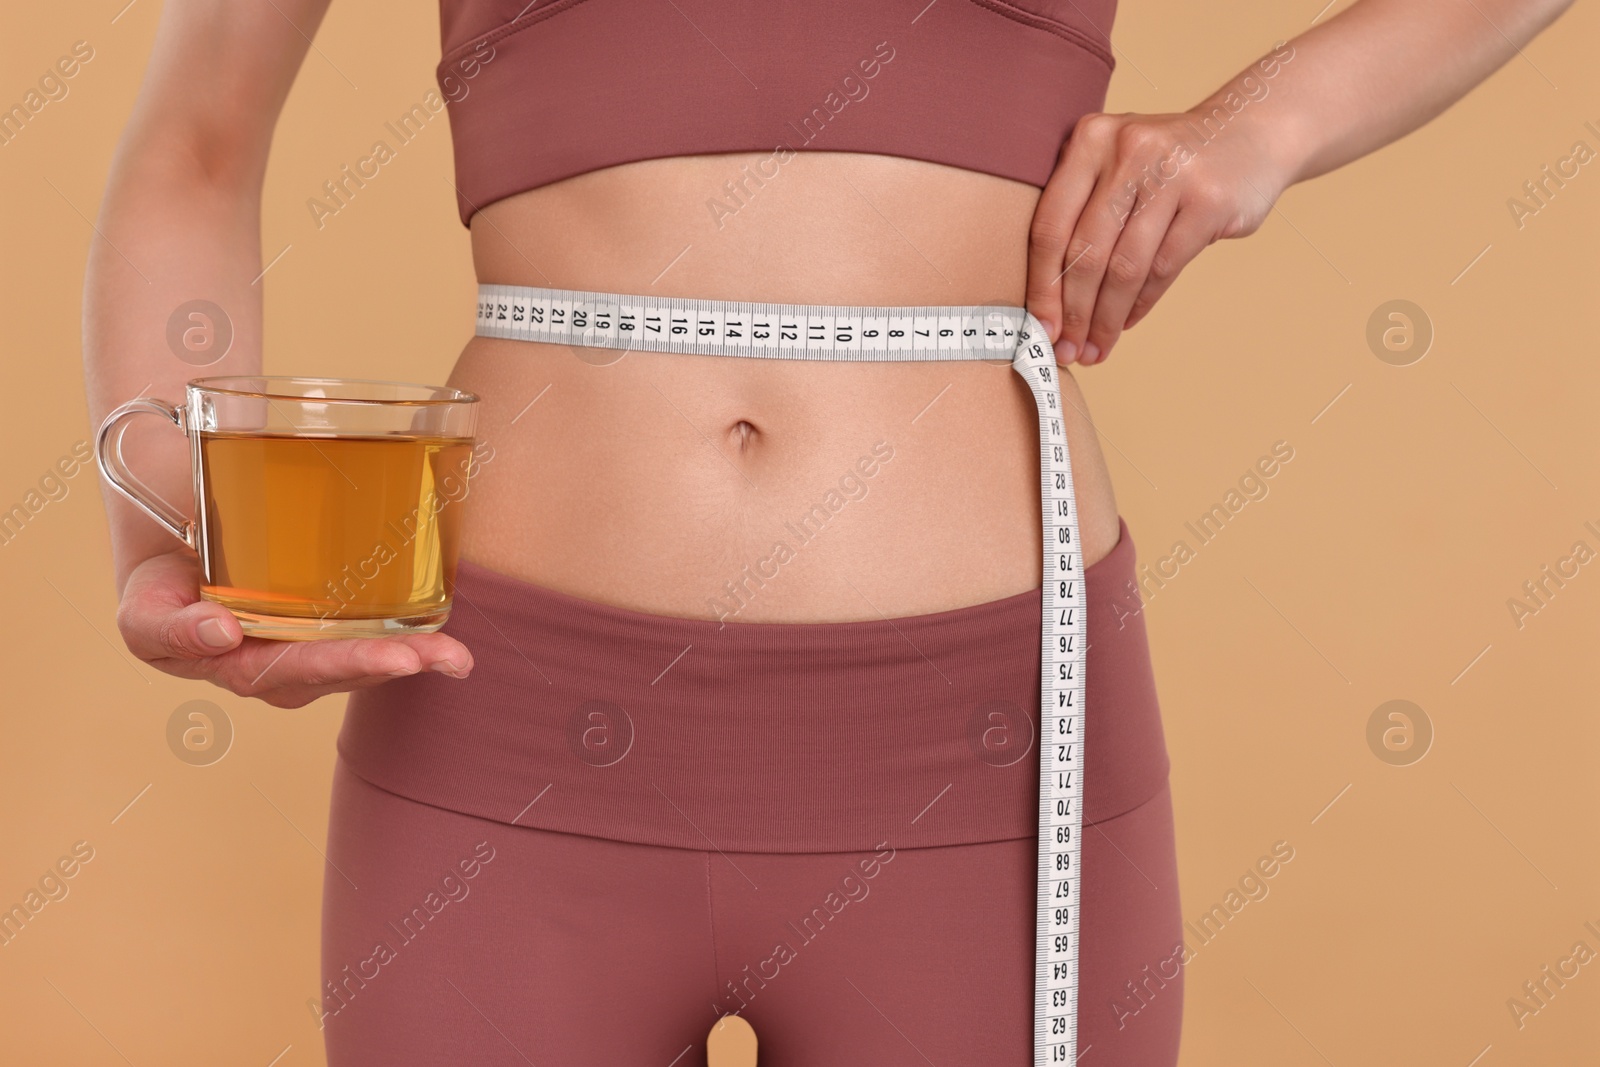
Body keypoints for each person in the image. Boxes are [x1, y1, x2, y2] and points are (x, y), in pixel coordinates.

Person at [84, 0, 1573, 1064]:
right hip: (503, 722)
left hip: (986, 750)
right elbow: (199, 140)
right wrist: (159, 517)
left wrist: (1271, 122)